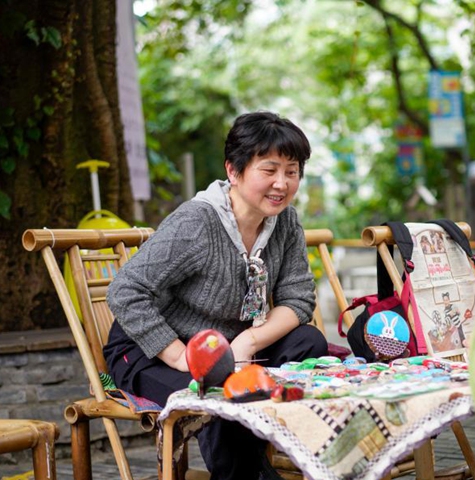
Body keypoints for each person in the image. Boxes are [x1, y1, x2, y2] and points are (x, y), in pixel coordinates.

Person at [104, 111, 328, 480]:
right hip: (151, 351)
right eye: (269, 170)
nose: (282, 183)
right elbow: (126, 291)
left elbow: (299, 298)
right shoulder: (197, 223)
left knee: (308, 341)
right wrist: (181, 358)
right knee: (219, 395)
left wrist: (247, 342)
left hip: (228, 348)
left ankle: (284, 450)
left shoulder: (286, 222)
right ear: (234, 171)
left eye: (292, 171)